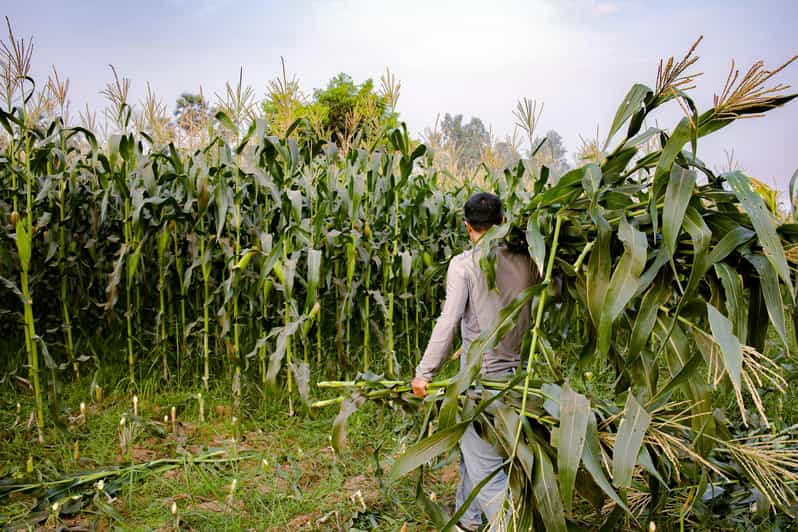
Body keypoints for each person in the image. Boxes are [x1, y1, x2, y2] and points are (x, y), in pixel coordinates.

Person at [411, 192, 539, 532]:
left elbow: (447, 321)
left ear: (468, 227)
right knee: (475, 452)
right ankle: (466, 523)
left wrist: (425, 373)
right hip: (515, 379)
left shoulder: (464, 265)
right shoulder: (528, 261)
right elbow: (550, 291)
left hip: (482, 385)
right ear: (501, 223)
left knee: (486, 469)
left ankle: (506, 527)